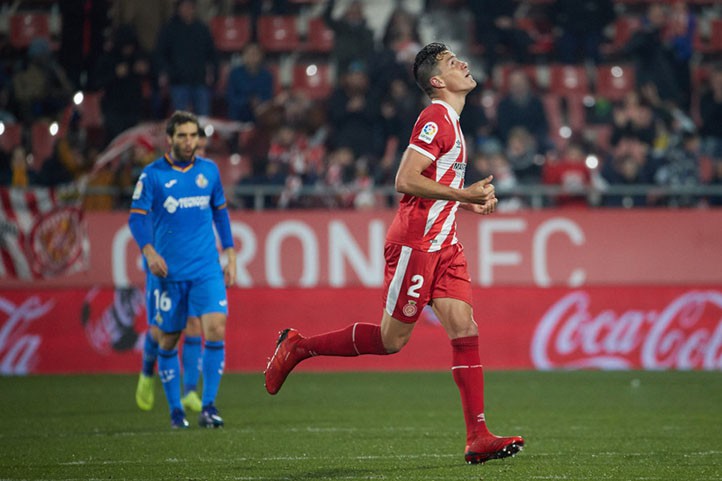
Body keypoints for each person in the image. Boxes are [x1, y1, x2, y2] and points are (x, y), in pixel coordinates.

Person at [264, 43, 524, 465]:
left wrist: (463, 202)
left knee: (464, 328)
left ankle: (478, 435)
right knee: (391, 341)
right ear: (437, 82)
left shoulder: (454, 123)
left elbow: (432, 181)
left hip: (446, 244)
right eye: (451, 63)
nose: (463, 63)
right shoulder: (436, 116)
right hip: (417, 244)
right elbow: (405, 179)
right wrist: (462, 192)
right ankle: (298, 346)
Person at [129, 111, 236, 429]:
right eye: (183, 136)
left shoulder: (209, 171)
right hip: (168, 273)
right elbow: (137, 218)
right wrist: (149, 252)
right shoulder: (152, 175)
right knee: (166, 337)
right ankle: (175, 410)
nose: (189, 142)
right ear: (170, 139)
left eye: (193, 136)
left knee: (215, 328)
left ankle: (208, 406)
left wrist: (229, 252)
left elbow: (220, 212)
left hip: (206, 268)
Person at [134, 127, 211, 414]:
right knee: (163, 331)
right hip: (164, 265)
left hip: (194, 264)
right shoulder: (160, 176)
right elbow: (141, 218)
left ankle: (190, 391)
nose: (200, 153)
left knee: (193, 325)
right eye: (196, 147)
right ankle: (145, 373)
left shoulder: (205, 178)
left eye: (203, 148)